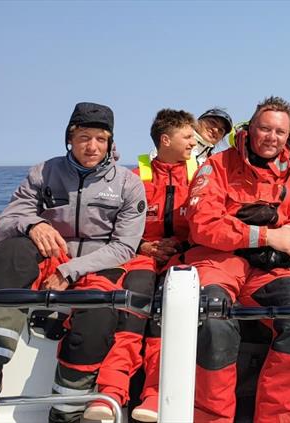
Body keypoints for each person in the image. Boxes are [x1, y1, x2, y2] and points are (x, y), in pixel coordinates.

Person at [0, 102, 146, 423]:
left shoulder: (128, 184)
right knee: (7, 254)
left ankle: (65, 412)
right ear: (69, 138)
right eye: (83, 137)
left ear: (110, 142)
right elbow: (3, 224)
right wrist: (32, 224)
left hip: (98, 263)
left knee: (98, 317)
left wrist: (69, 272)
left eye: (100, 138)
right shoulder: (44, 172)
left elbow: (124, 247)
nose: (91, 146)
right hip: (51, 255)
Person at [181, 96, 290, 422]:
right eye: (264, 129)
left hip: (268, 268)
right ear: (250, 128)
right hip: (218, 261)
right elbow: (202, 224)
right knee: (214, 319)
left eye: (279, 132)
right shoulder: (216, 166)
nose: (272, 137)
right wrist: (266, 235)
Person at [82, 109, 199, 422]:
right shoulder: (131, 178)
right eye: (187, 136)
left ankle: (156, 394)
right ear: (165, 140)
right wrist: (142, 246)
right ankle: (110, 393)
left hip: (183, 258)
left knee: (167, 317)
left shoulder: (203, 175)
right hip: (141, 256)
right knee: (131, 314)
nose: (193, 142)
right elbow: (109, 225)